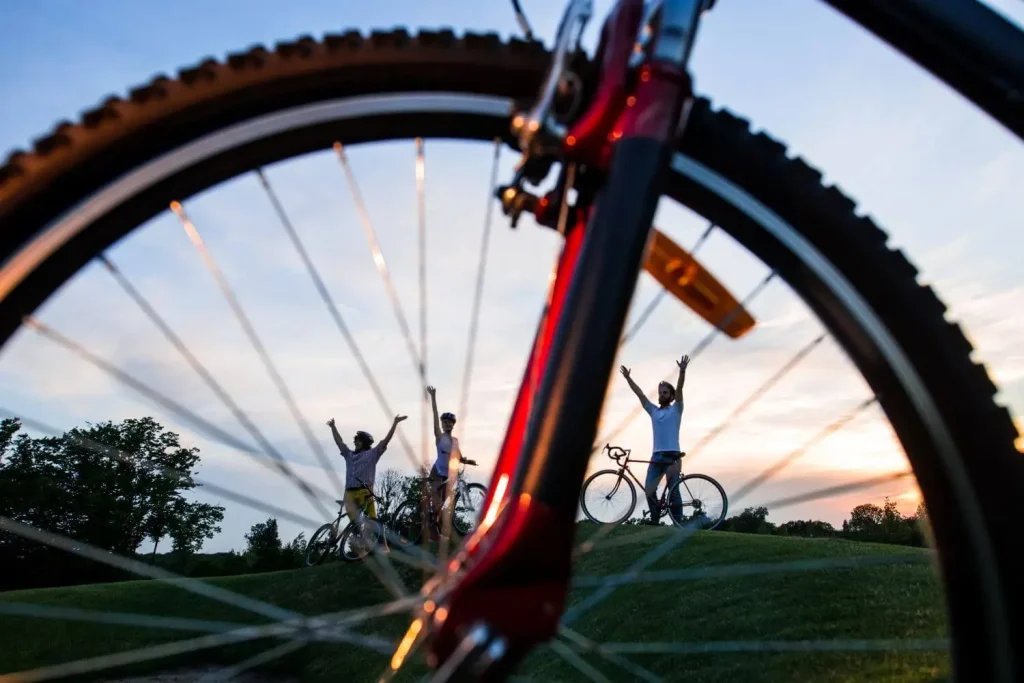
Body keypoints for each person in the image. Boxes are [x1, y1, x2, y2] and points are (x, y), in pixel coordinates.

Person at [619, 354, 690, 525]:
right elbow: (640, 395)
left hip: (672, 456)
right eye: (660, 393)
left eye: (665, 393)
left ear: (671, 396)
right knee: (649, 489)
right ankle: (655, 519)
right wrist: (629, 378)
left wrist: (681, 372)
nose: (662, 395)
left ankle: (678, 524)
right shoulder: (654, 411)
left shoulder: (676, 409)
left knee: (674, 492)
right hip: (656, 456)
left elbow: (680, 389)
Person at [327, 414, 407, 528]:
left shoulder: (371, 454)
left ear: (365, 443)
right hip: (349, 493)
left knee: (374, 523)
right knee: (355, 527)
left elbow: (385, 441)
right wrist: (333, 427)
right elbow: (339, 442)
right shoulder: (349, 455)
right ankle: (358, 537)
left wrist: (395, 423)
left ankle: (381, 544)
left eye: (359, 441)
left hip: (365, 493)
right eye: (356, 440)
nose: (356, 443)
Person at [425, 386, 469, 534]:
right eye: (445, 422)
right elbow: (435, 414)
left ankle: (433, 528)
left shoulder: (455, 440)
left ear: (453, 424)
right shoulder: (439, 436)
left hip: (449, 475)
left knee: (441, 504)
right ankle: (429, 518)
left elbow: (459, 456)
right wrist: (433, 397)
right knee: (436, 502)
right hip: (437, 472)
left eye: (450, 422)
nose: (448, 424)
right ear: (443, 424)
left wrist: (467, 461)